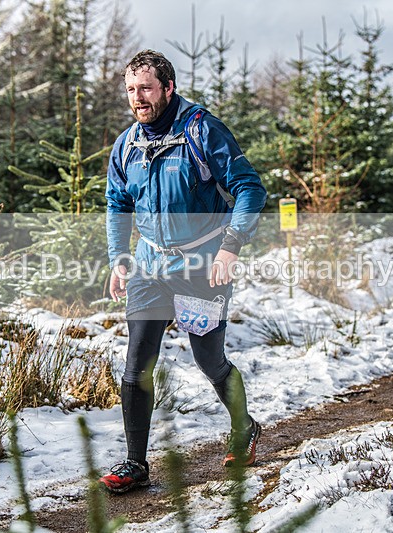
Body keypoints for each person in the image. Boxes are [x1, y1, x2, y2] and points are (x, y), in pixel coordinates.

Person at [99, 49, 267, 494]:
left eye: (147, 88)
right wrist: (120, 256)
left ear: (168, 88)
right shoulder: (127, 144)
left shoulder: (200, 130)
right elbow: (118, 203)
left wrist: (231, 246)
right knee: (138, 363)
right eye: (132, 90)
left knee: (208, 359)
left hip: (200, 267)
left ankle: (244, 428)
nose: (138, 98)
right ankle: (136, 463)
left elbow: (250, 188)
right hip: (150, 268)